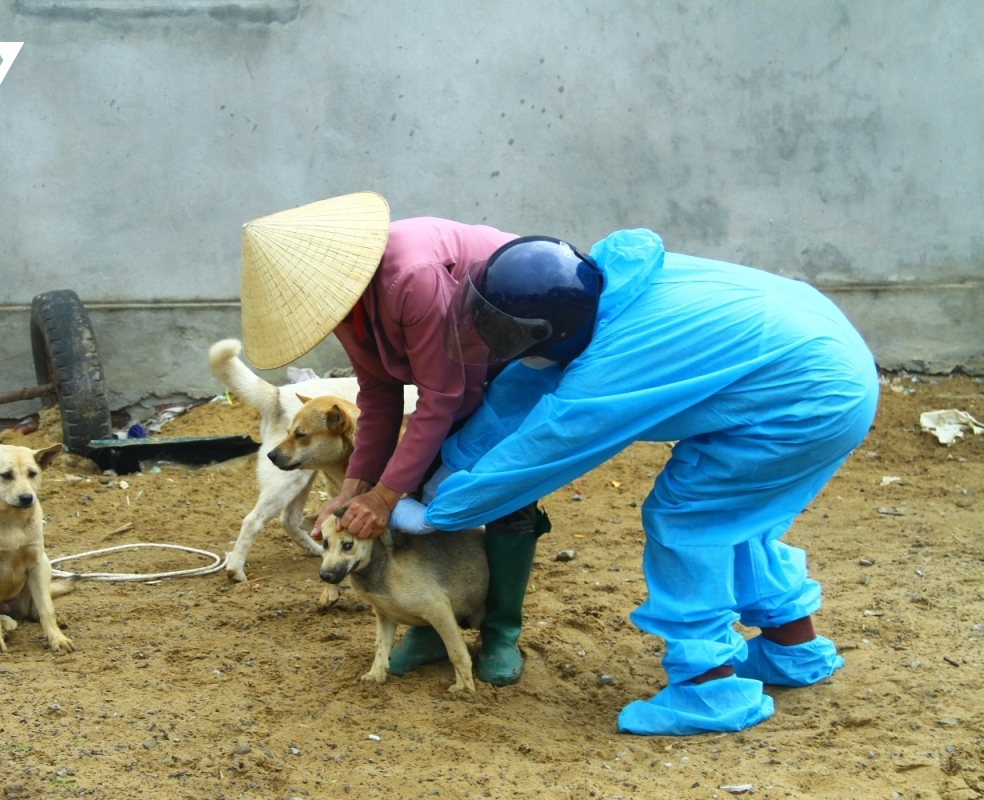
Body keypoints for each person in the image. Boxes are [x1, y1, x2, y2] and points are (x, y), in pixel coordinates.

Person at [389, 228, 878, 735]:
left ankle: (708, 691)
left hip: (810, 398)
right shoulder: (603, 292)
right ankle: (790, 649)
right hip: (821, 357)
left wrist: (440, 510)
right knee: (737, 515)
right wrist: (446, 470)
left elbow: (548, 446)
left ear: (549, 329)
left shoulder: (617, 360)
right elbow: (524, 388)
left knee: (691, 515)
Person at [238, 191, 547, 686]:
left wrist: (384, 495)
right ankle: (427, 620)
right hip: (462, 368)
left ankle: (500, 629)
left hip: (520, 351)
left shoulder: (411, 278)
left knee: (498, 481)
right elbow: (379, 394)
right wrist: (353, 488)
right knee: (422, 475)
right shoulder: (344, 307)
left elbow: (441, 396)